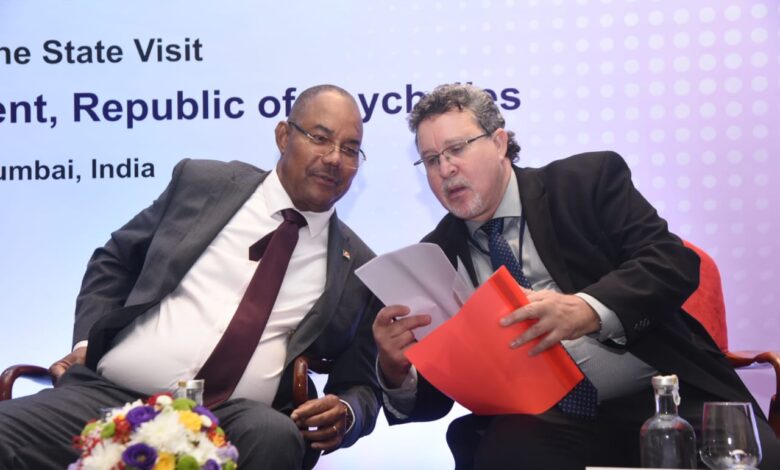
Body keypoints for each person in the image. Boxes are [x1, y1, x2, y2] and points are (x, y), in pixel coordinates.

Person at [373, 83, 780, 469]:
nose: (445, 169)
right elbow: (434, 398)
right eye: (431, 160)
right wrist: (397, 370)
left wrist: (586, 310)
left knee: (753, 456)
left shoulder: (586, 182)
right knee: (507, 454)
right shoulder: (435, 255)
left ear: (499, 143)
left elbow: (670, 261)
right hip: (544, 420)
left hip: (658, 396)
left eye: (457, 149)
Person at [0, 84, 380, 469]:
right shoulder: (203, 183)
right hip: (111, 396)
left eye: (350, 149)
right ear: (283, 136)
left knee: (276, 435)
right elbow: (114, 260)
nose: (334, 158)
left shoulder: (358, 266)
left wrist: (347, 412)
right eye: (320, 138)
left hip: (232, 422)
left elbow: (361, 384)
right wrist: (85, 343)